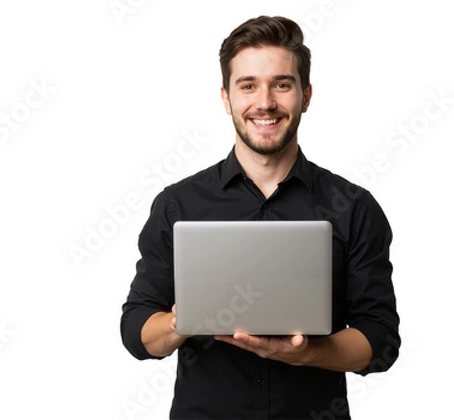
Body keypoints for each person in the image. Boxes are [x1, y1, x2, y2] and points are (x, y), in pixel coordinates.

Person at [120, 15, 400, 419]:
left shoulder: (354, 207)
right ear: (226, 97)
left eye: (281, 84)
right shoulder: (178, 205)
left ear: (305, 96)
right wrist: (182, 320)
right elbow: (136, 331)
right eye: (247, 85)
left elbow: (381, 341)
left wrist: (307, 354)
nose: (264, 102)